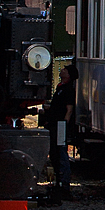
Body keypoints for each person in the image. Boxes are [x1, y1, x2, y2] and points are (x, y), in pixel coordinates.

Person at [42, 63, 76, 198]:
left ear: (69, 75)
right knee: (55, 152)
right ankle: (58, 182)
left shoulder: (68, 90)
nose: (61, 71)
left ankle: (64, 184)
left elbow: (69, 109)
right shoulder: (60, 88)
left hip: (60, 124)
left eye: (65, 70)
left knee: (61, 152)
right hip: (54, 122)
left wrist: (64, 124)